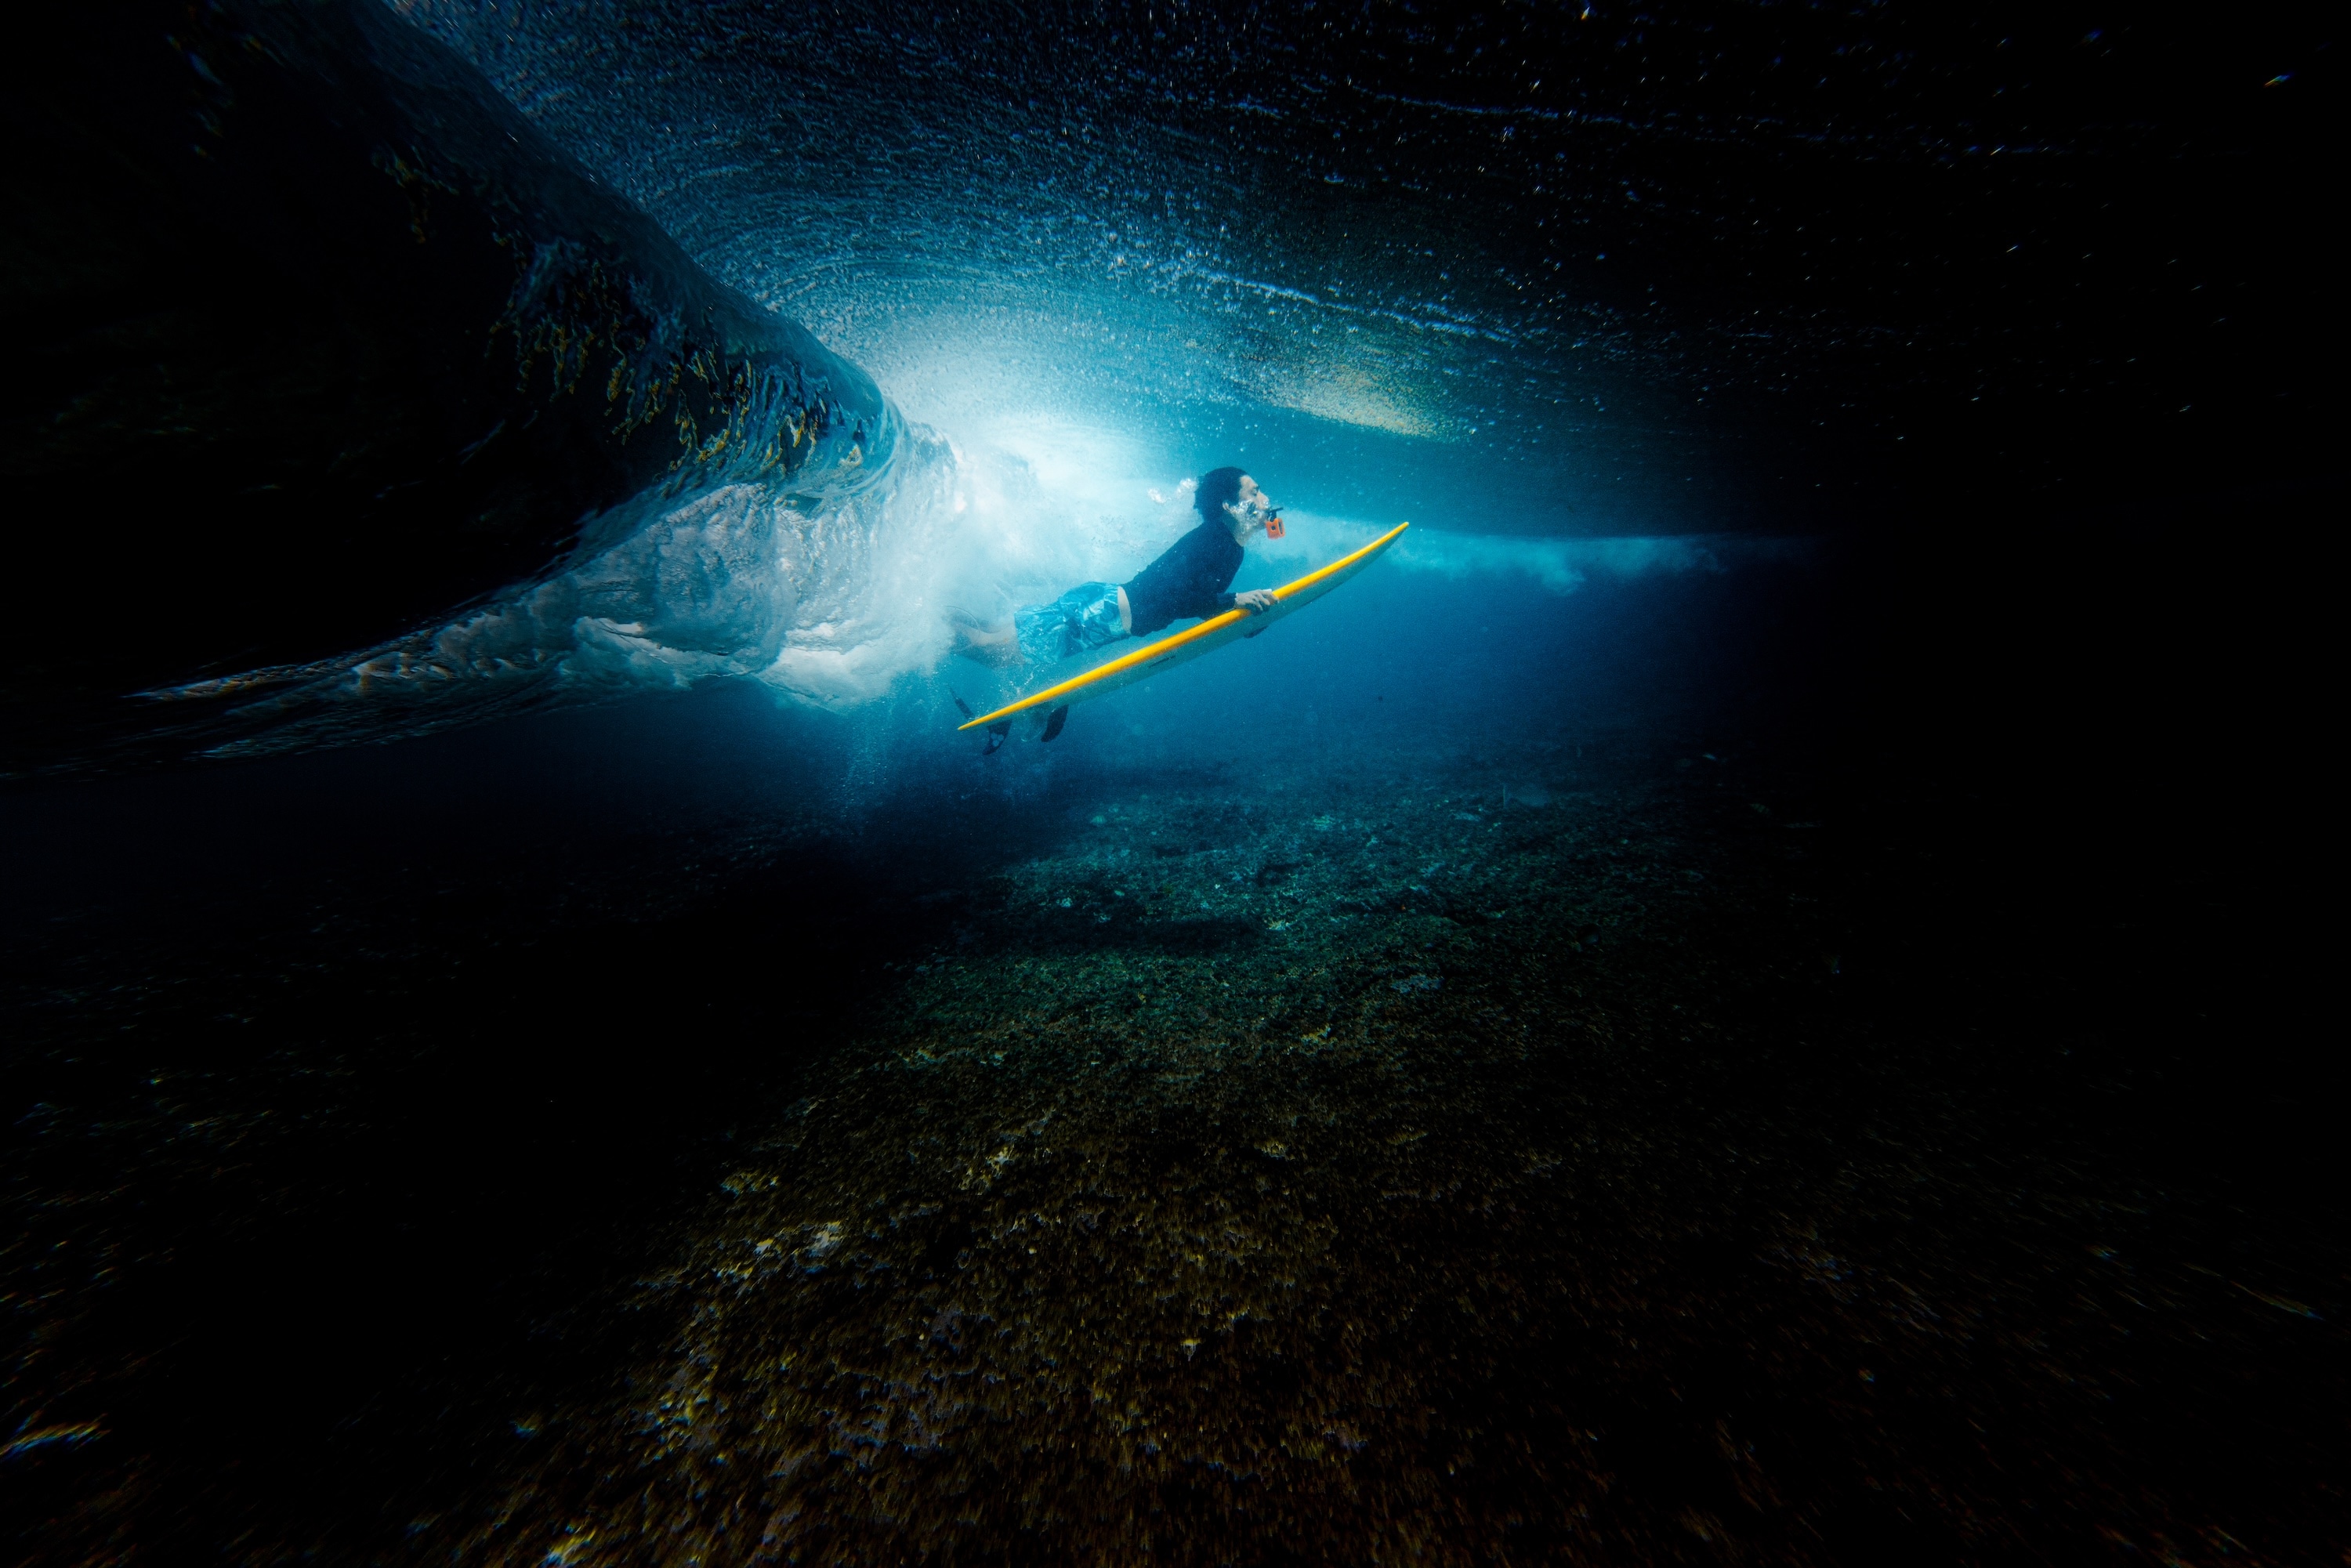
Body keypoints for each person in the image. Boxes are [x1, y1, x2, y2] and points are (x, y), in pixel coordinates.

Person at [955, 467, 1283, 668]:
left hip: (1104, 609)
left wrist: (1239, 618)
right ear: (1229, 505)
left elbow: (1195, 599)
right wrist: (1234, 601)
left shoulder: (1228, 546)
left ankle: (941, 623)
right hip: (1103, 615)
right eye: (1254, 492)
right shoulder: (1217, 540)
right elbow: (1177, 598)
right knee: (994, 655)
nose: (1265, 498)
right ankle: (932, 638)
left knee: (994, 638)